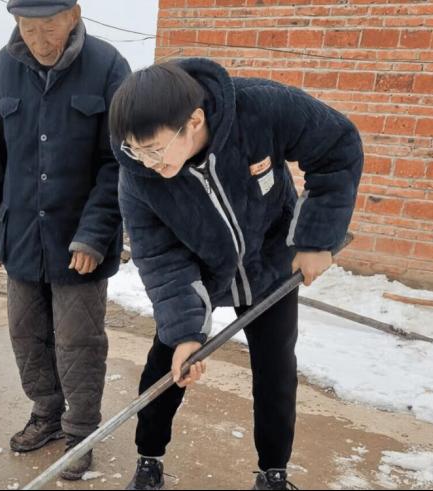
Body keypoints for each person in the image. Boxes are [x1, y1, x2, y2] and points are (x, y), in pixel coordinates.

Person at [108, 59, 363, 490]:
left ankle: (273, 473)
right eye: (136, 150)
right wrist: (186, 332)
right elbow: (161, 259)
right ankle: (149, 458)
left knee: (276, 369)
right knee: (169, 364)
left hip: (270, 262)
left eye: (154, 149)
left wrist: (317, 239)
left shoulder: (259, 109)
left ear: (194, 121)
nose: (147, 162)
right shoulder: (138, 179)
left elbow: (337, 147)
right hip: (200, 270)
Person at [0, 0, 130, 480]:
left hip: (80, 239)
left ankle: (81, 432)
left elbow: (118, 163)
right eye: (28, 27)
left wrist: (94, 234)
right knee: (25, 333)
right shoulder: (0, 70)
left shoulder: (108, 67)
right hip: (20, 234)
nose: (40, 40)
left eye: (50, 26)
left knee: (79, 340)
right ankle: (46, 412)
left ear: (74, 15)